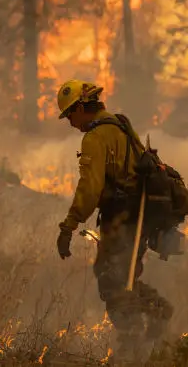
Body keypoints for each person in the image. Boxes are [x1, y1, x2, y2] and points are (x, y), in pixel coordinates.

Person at [54, 79, 174, 356]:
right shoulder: (121, 124)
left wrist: (68, 226)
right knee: (123, 276)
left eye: (71, 115)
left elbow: (90, 188)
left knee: (112, 281)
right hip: (139, 216)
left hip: (121, 218)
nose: (71, 123)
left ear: (82, 107)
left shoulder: (95, 137)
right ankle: (157, 310)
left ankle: (131, 346)